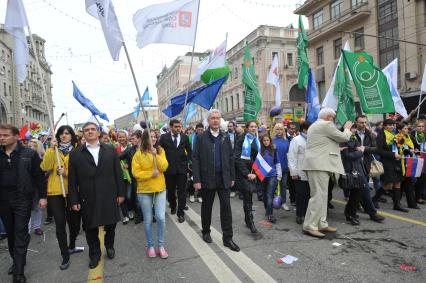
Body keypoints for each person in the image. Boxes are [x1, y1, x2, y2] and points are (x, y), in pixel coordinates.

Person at [68, 122, 125, 269]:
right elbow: (72, 180)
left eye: (93, 129)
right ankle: (94, 253)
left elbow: (118, 173)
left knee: (111, 225)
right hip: (88, 196)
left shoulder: (110, 150)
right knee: (90, 227)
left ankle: (109, 245)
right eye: (86, 130)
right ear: (83, 134)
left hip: (109, 194)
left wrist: (121, 193)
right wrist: (73, 199)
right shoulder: (75, 154)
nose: (90, 132)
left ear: (98, 133)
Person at [0, 124, 47, 282]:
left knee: (20, 233)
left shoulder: (29, 154)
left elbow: (39, 176)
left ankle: (18, 273)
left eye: (5, 135)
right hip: (3, 201)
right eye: (0, 135)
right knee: (11, 234)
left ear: (16, 137)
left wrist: (42, 196)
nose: (2, 138)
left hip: (22, 199)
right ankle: (17, 260)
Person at [192, 109, 239, 252]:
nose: (215, 120)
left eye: (217, 118)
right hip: (207, 178)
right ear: (208, 120)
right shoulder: (201, 137)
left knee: (226, 208)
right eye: (212, 118)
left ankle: (228, 238)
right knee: (207, 206)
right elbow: (195, 159)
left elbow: (231, 158)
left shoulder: (225, 137)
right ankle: (206, 231)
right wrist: (197, 179)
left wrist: (232, 177)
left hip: (223, 178)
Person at [302, 109, 352, 238]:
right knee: (318, 196)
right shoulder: (326, 125)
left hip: (317, 164)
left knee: (322, 196)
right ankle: (310, 225)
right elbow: (344, 137)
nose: (334, 121)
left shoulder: (315, 125)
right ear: (329, 117)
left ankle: (321, 223)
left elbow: (325, 144)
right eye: (334, 118)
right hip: (319, 164)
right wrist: (347, 128)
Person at [40, 125, 82, 270]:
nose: (64, 136)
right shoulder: (53, 150)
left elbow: (81, 174)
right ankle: (65, 254)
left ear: (71, 135)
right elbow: (44, 167)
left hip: (72, 192)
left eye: (67, 133)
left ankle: (71, 245)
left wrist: (66, 173)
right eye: (61, 134)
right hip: (55, 192)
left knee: (75, 223)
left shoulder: (77, 151)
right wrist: (51, 149)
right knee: (60, 224)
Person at [132, 130, 169, 258]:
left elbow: (164, 167)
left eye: (154, 137)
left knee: (160, 217)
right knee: (147, 220)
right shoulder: (138, 154)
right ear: (144, 139)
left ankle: (161, 245)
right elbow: (136, 173)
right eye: (150, 137)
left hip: (160, 188)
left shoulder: (160, 150)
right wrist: (149, 174)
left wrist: (156, 156)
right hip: (144, 190)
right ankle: (150, 246)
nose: (153, 139)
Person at [353, 116, 385, 223]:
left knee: (360, 189)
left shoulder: (370, 134)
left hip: (365, 164)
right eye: (361, 122)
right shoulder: (350, 133)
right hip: (353, 164)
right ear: (356, 122)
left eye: (365, 122)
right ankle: (372, 213)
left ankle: (351, 211)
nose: (363, 124)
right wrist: (356, 150)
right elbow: (346, 147)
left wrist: (365, 148)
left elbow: (376, 148)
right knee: (364, 188)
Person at [159, 119, 191, 223]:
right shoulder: (164, 138)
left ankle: (180, 213)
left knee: (182, 192)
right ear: (171, 127)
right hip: (169, 170)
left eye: (179, 126)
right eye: (176, 126)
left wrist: (188, 162)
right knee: (171, 191)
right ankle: (173, 204)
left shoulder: (185, 137)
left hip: (182, 169)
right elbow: (160, 152)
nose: (178, 128)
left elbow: (190, 152)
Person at [374, 119, 408, 212]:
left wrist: (407, 150)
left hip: (397, 161)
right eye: (389, 125)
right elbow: (380, 151)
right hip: (387, 162)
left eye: (393, 125)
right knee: (388, 184)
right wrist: (393, 155)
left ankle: (397, 204)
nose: (392, 127)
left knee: (398, 182)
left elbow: (401, 146)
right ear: (384, 126)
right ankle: (374, 200)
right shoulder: (381, 136)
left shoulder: (395, 135)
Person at [235, 120, 261, 234]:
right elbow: (237, 158)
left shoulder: (257, 140)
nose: (253, 128)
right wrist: (247, 173)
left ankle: (247, 218)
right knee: (248, 197)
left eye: (255, 127)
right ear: (246, 128)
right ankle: (251, 223)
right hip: (245, 173)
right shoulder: (241, 140)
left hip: (255, 172)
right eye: (251, 127)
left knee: (250, 196)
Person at [288, 121, 311, 224]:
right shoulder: (296, 140)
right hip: (299, 173)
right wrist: (293, 173)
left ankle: (306, 214)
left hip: (311, 173)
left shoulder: (312, 140)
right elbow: (291, 157)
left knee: (308, 195)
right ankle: (299, 215)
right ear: (304, 130)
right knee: (301, 195)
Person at [119, 130, 144, 224]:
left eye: (133, 139)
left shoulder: (147, 148)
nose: (131, 140)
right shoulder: (130, 149)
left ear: (139, 139)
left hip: (147, 178)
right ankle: (139, 215)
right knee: (136, 198)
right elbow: (119, 156)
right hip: (135, 178)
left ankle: (150, 214)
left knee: (148, 197)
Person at [395, 122, 419, 209]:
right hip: (400, 162)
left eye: (407, 129)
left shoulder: (408, 137)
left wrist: (414, 150)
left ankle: (411, 203)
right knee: (400, 182)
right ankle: (397, 202)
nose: (407, 130)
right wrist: (409, 151)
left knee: (408, 183)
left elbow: (411, 147)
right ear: (399, 130)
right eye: (404, 129)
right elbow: (400, 149)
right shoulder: (398, 137)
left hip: (408, 161)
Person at [259, 135, 281, 223]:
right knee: (264, 195)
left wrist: (279, 174)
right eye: (264, 140)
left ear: (270, 141)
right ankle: (267, 210)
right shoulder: (259, 150)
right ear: (262, 141)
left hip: (272, 175)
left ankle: (270, 214)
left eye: (267, 140)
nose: (266, 142)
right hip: (262, 175)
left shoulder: (274, 150)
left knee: (269, 195)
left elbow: (277, 162)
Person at [27, 139, 45, 236]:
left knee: (38, 208)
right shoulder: (24, 158)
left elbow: (43, 175)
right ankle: (27, 230)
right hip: (27, 187)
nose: (31, 148)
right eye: (29, 146)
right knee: (27, 209)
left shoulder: (42, 159)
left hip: (37, 188)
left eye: (33, 146)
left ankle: (37, 227)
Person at [115, 130, 132, 224]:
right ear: (117, 138)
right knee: (122, 196)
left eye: (123, 137)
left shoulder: (131, 148)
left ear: (126, 137)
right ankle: (125, 215)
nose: (121, 138)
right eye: (119, 137)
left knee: (129, 196)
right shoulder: (115, 149)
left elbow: (135, 160)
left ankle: (130, 210)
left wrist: (129, 165)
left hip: (129, 176)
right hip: (120, 176)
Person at [272, 123, 290, 211]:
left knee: (283, 186)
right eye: (277, 129)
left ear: (283, 130)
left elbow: (289, 154)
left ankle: (283, 202)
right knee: (273, 186)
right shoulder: (272, 140)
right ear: (274, 130)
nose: (279, 131)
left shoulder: (287, 141)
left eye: (280, 129)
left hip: (284, 167)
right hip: (274, 168)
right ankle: (271, 202)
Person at [188, 123, 204, 203]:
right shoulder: (190, 137)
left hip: (203, 162)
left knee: (202, 179)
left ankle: (200, 195)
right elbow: (187, 150)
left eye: (202, 130)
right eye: (199, 130)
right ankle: (191, 194)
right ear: (196, 129)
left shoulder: (205, 137)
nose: (200, 131)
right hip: (192, 162)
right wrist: (189, 161)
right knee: (192, 179)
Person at [412, 120, 425, 204]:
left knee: (422, 178)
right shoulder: (412, 135)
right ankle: (416, 197)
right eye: (419, 126)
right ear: (416, 127)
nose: (421, 128)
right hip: (415, 158)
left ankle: (419, 196)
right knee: (415, 179)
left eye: (422, 126)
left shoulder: (425, 135)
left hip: (424, 158)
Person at [227, 121, 240, 198]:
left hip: (236, 157)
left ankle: (235, 189)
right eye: (228, 126)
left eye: (231, 126)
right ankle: (230, 189)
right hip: (227, 157)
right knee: (229, 173)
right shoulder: (224, 135)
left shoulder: (238, 135)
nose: (229, 127)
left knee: (235, 173)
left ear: (234, 127)